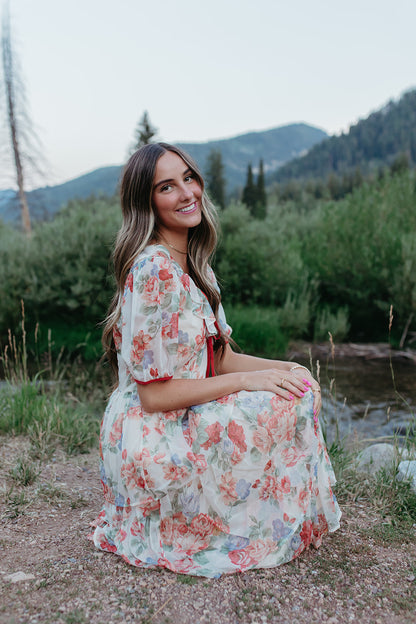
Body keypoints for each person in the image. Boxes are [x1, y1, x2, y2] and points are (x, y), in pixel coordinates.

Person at [92, 142, 341, 577]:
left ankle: (259, 520)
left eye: (189, 177)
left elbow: (220, 359)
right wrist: (251, 382)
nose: (187, 193)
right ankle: (224, 525)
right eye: (167, 186)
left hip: (187, 408)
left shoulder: (193, 264)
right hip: (153, 429)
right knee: (271, 402)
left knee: (294, 392)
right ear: (146, 201)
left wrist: (286, 368)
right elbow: (154, 397)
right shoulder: (153, 270)